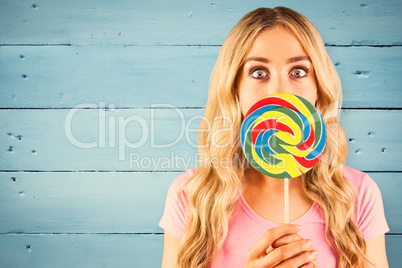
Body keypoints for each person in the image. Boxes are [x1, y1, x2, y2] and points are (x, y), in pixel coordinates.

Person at [159, 6, 389, 268]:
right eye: (258, 72)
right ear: (234, 89)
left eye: (298, 71)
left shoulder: (357, 195)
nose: (280, 90)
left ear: (319, 87)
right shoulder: (191, 195)